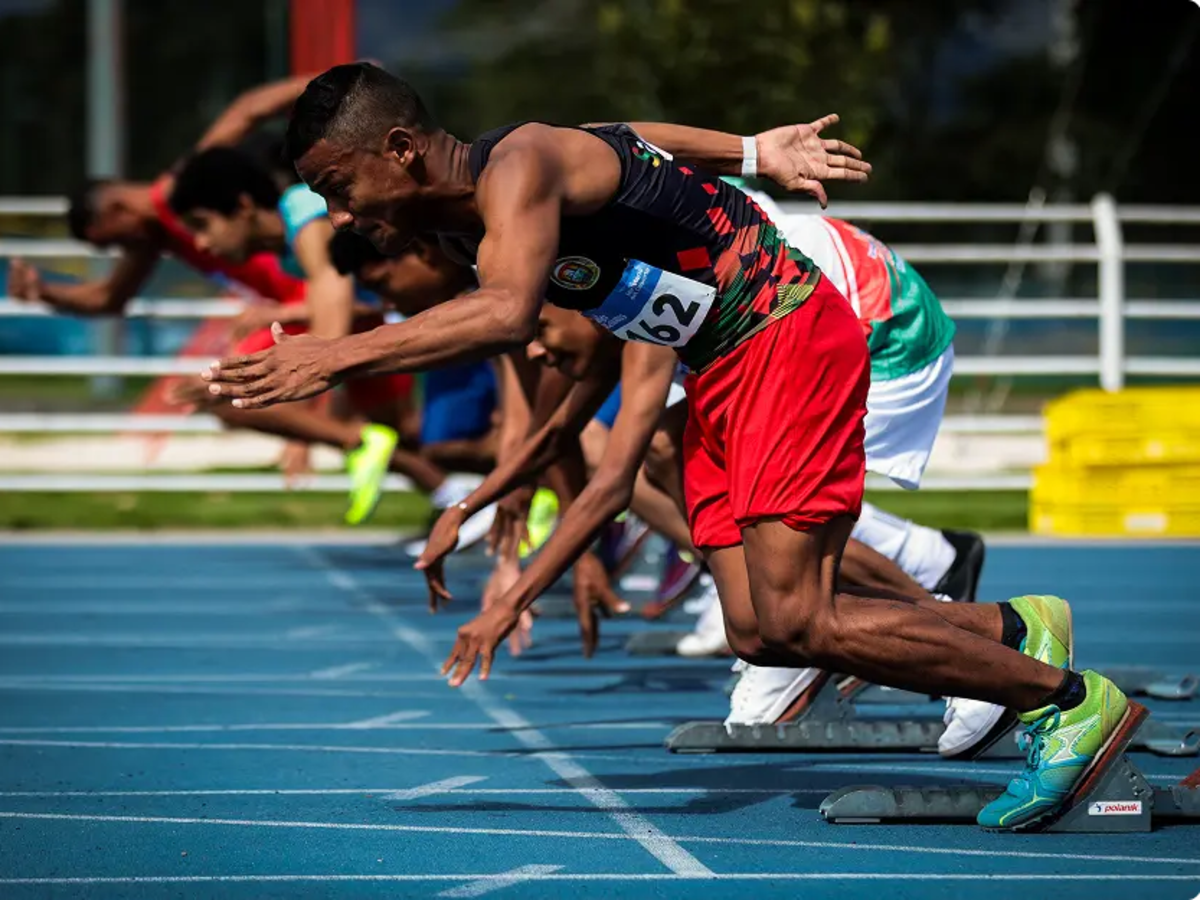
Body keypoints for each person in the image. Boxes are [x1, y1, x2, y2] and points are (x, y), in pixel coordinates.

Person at [203, 63, 1136, 831]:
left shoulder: (514, 167)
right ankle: (1008, 630)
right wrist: (750, 149)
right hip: (716, 362)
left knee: (799, 615)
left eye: (338, 185)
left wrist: (337, 356)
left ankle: (1065, 701)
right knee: (757, 629)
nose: (335, 215)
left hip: (780, 329)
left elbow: (509, 312)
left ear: (401, 149)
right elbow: (621, 137)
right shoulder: (463, 227)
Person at [6, 75, 402, 524]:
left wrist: (347, 85)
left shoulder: (190, 188)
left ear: (116, 211)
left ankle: (359, 444)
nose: (203, 244)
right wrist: (44, 292)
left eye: (109, 242)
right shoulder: (157, 235)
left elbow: (248, 109)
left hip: (310, 301)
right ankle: (433, 484)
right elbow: (107, 299)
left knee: (226, 391)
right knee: (401, 426)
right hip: (307, 302)